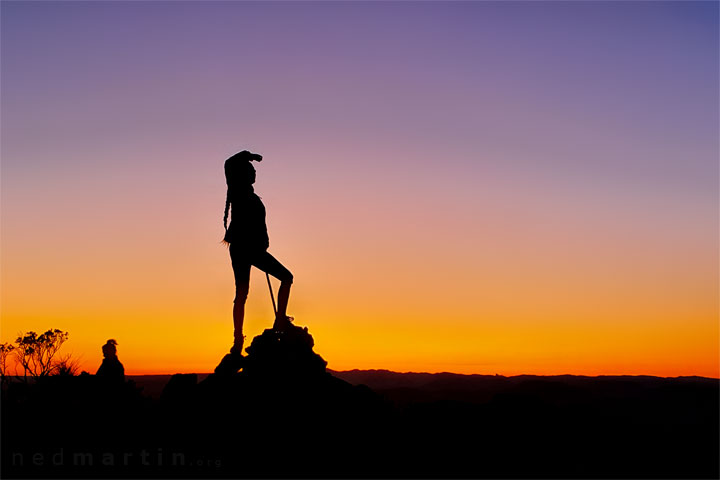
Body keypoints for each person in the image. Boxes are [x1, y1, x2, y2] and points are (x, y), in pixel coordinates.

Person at [222, 150, 294, 356]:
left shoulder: (250, 196)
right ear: (244, 174)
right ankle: (278, 320)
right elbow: (229, 163)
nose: (255, 173)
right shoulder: (237, 191)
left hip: (245, 248)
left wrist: (265, 241)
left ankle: (239, 340)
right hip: (247, 249)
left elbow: (260, 225)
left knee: (242, 293)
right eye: (251, 170)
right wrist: (248, 155)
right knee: (285, 278)